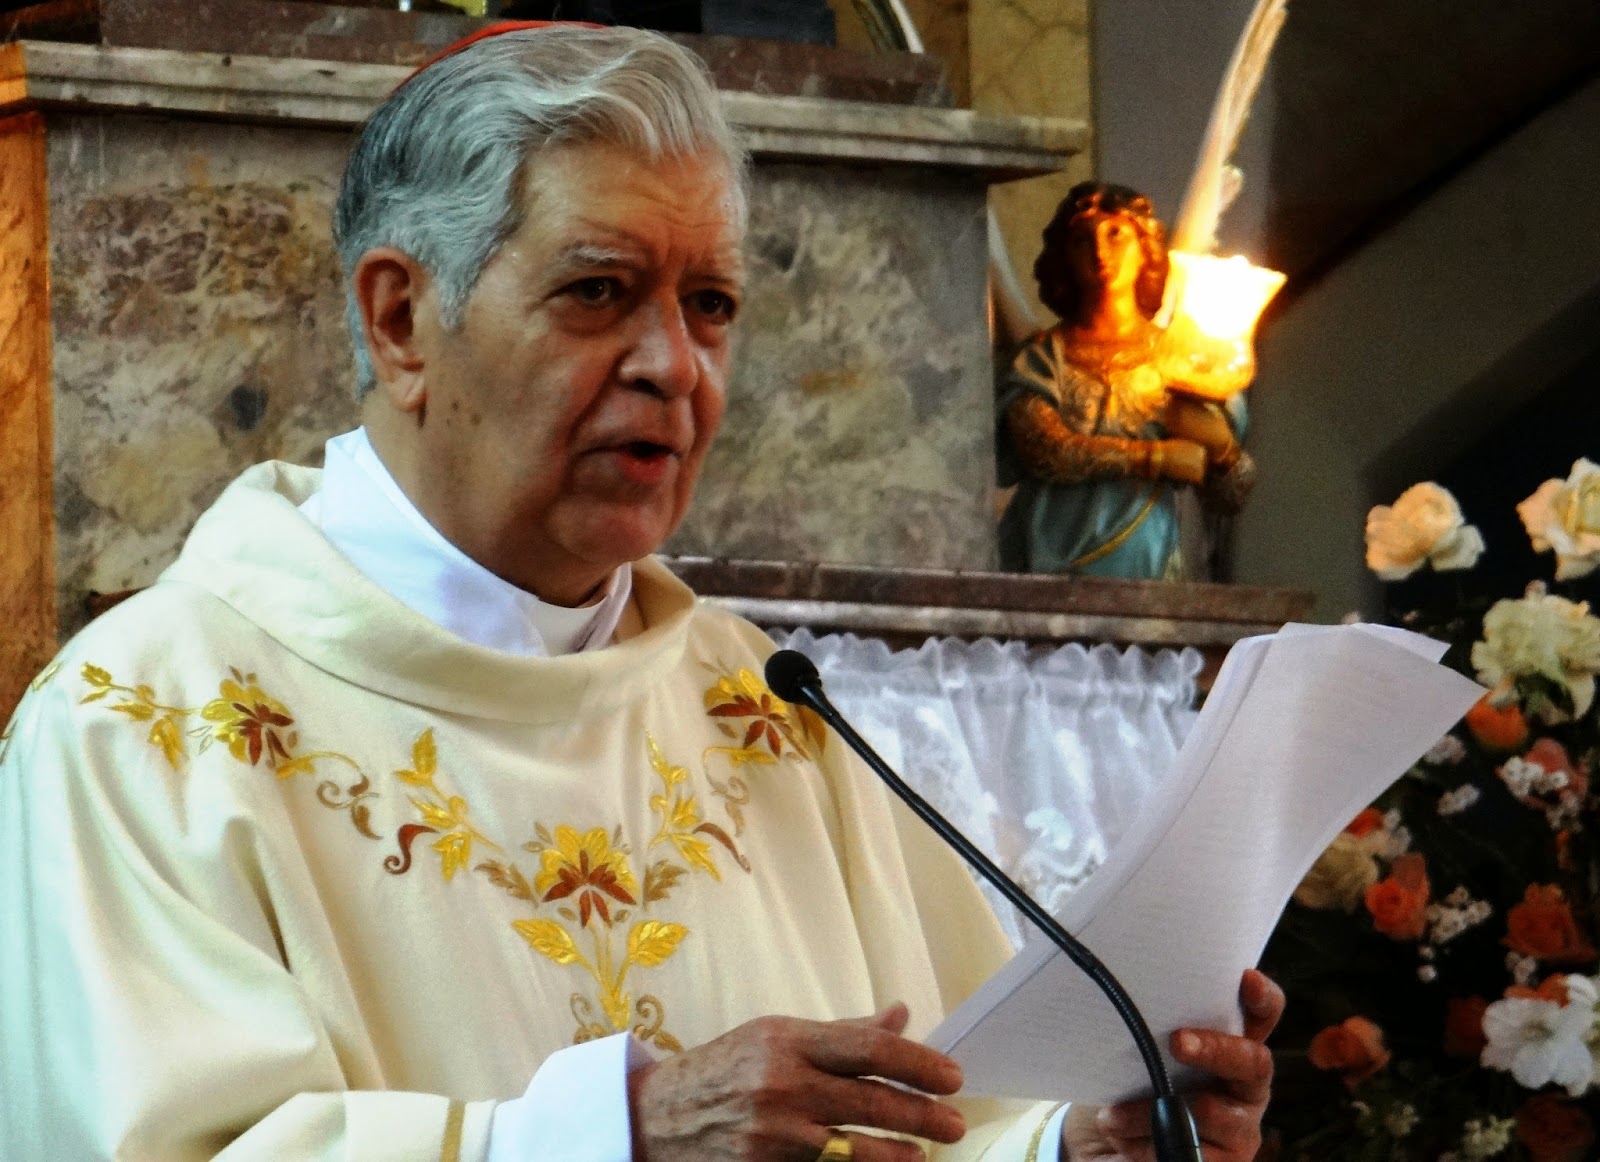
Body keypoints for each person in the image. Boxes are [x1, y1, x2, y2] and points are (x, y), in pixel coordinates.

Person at [0, 25, 1280, 1161]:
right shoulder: (144, 725)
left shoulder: (764, 705)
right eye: (597, 292)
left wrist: (1080, 1144)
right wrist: (615, 1138)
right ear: (400, 321)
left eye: (709, 304)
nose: (674, 365)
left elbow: (943, 1123)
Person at [996, 183, 1255, 580]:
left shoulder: (1183, 358)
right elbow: (1045, 450)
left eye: (1115, 234)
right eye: (1082, 240)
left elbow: (1230, 498)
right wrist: (1156, 457)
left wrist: (1222, 451)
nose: (1100, 251)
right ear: (1064, 255)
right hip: (1048, 559)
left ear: (1144, 245)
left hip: (1145, 560)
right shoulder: (1043, 357)